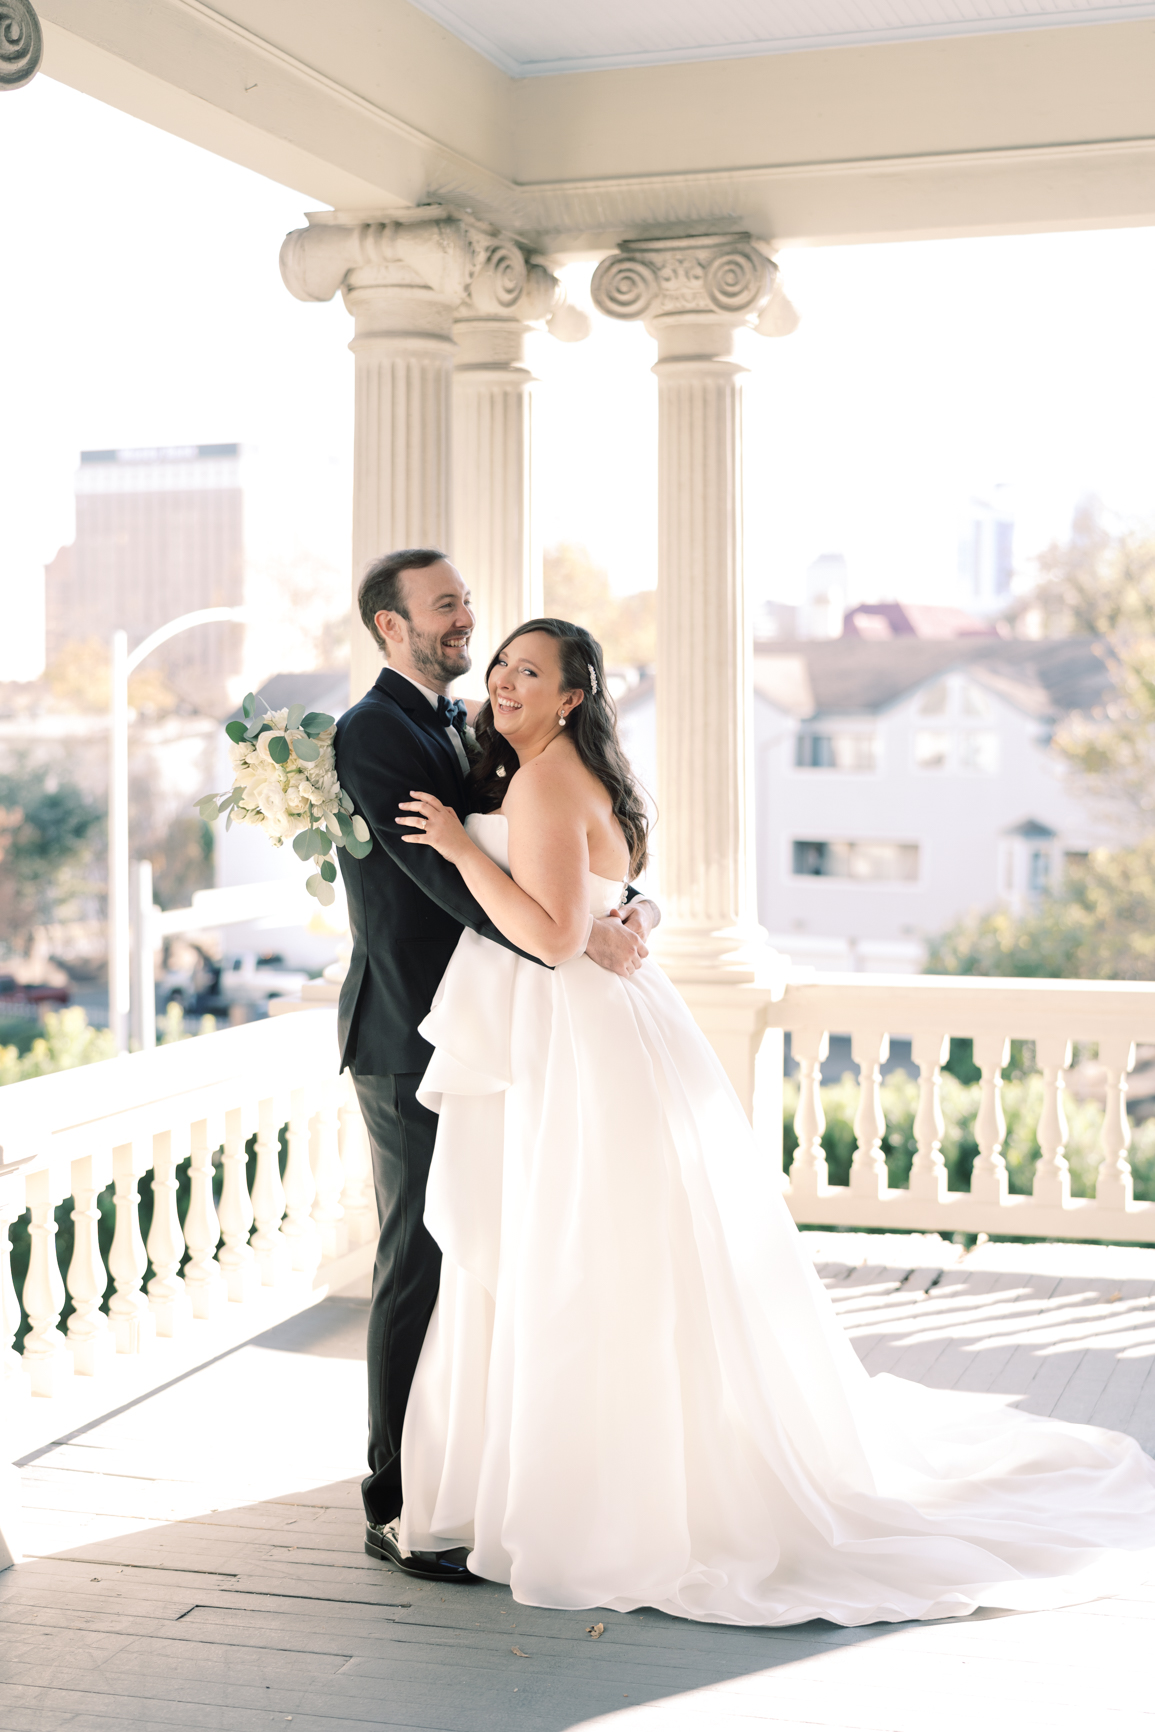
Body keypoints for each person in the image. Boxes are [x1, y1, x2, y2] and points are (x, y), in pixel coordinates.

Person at [392, 614, 1155, 1627]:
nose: (504, 681)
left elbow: (550, 931)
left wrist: (455, 847)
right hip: (618, 1029)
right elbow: (623, 896)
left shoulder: (537, 781)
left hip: (573, 1039)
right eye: (501, 666)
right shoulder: (584, 777)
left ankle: (601, 1496)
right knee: (625, 1255)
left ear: (573, 695)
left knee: (577, 1254)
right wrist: (640, 919)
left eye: (529, 671)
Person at [333, 551, 659, 1585]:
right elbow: (437, 876)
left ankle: (473, 1471)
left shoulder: (477, 725)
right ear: (391, 626)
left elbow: (577, 851)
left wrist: (612, 916)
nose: (466, 618)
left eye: (470, 601)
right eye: (446, 605)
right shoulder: (375, 732)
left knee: (495, 1259)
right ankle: (394, 1496)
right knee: (419, 1262)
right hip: (413, 1032)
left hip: (501, 1033)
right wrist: (571, 934)